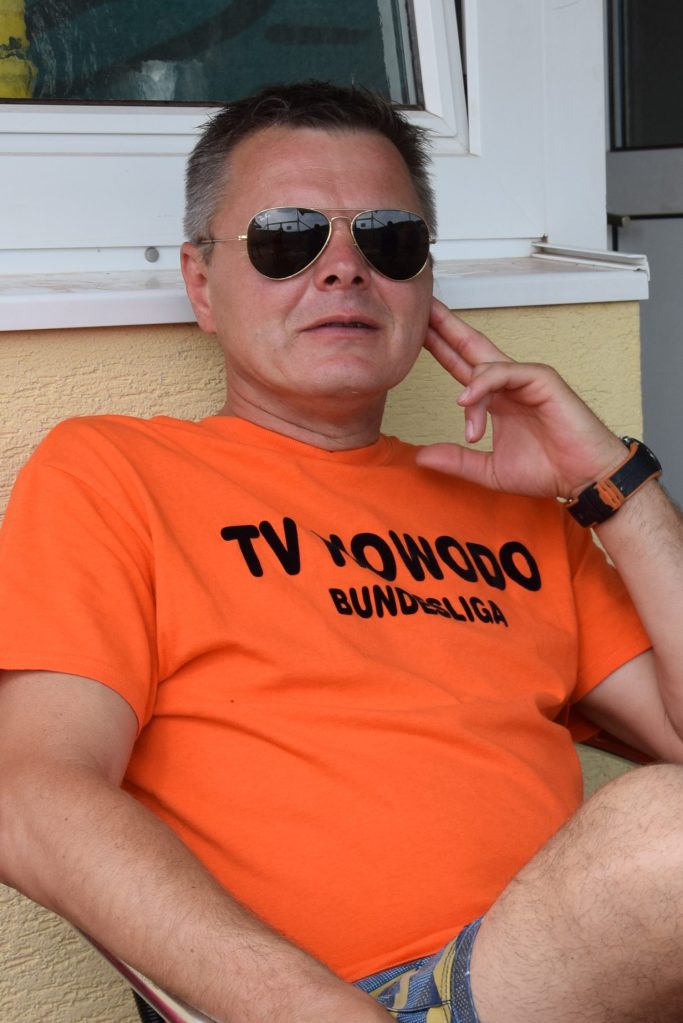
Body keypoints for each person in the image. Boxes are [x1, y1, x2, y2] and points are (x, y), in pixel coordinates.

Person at [1, 81, 683, 1023]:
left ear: (423, 280)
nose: (343, 270)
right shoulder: (117, 472)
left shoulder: (516, 510)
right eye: (286, 238)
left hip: (557, 974)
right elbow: (30, 793)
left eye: (386, 239)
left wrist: (609, 482)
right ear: (201, 283)